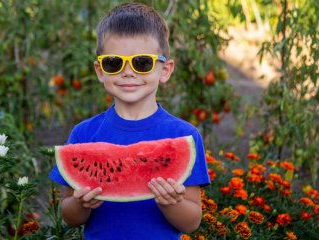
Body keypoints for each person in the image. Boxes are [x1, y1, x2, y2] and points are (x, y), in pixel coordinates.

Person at [49, 3, 210, 239]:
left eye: (142, 63)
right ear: (100, 70)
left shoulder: (184, 136)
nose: (128, 72)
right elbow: (69, 216)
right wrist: (81, 204)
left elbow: (192, 222)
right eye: (114, 63)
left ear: (165, 70)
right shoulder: (83, 135)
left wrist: (170, 204)